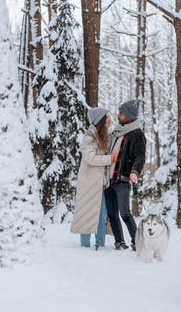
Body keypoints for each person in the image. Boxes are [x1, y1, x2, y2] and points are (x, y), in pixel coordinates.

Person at [70, 107, 118, 250]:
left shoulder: (104, 136)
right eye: (107, 116)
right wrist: (110, 159)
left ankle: (100, 244)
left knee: (102, 214)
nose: (110, 118)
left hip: (100, 183)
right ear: (100, 120)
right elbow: (90, 158)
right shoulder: (89, 138)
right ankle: (84, 246)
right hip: (89, 183)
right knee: (86, 212)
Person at [105, 99, 146, 251]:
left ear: (128, 116)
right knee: (112, 213)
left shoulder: (137, 134)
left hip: (122, 179)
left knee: (125, 213)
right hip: (108, 179)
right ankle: (119, 241)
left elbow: (140, 157)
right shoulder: (116, 132)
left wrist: (134, 172)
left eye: (121, 113)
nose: (118, 115)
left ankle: (137, 242)